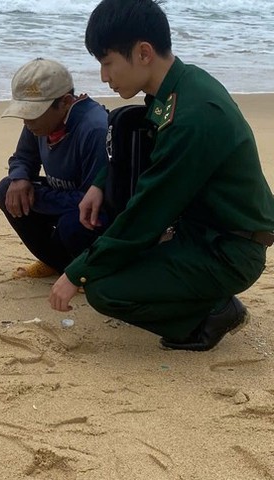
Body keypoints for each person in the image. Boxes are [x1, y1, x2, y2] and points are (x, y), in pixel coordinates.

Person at [49, 0, 274, 351]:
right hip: (203, 231)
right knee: (112, 266)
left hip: (229, 250)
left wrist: (77, 272)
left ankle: (212, 315)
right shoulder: (177, 88)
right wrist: (99, 182)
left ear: (143, 53)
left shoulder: (193, 114)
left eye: (108, 63)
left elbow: (148, 211)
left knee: (104, 289)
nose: (104, 77)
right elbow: (148, 151)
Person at [0, 58, 109, 279]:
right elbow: (23, 157)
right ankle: (57, 263)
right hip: (65, 200)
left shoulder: (94, 128)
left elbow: (94, 200)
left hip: (94, 213)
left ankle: (89, 272)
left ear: (65, 102)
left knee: (73, 223)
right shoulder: (38, 123)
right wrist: (20, 178)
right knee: (7, 189)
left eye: (34, 112)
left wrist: (39, 197)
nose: (26, 120)